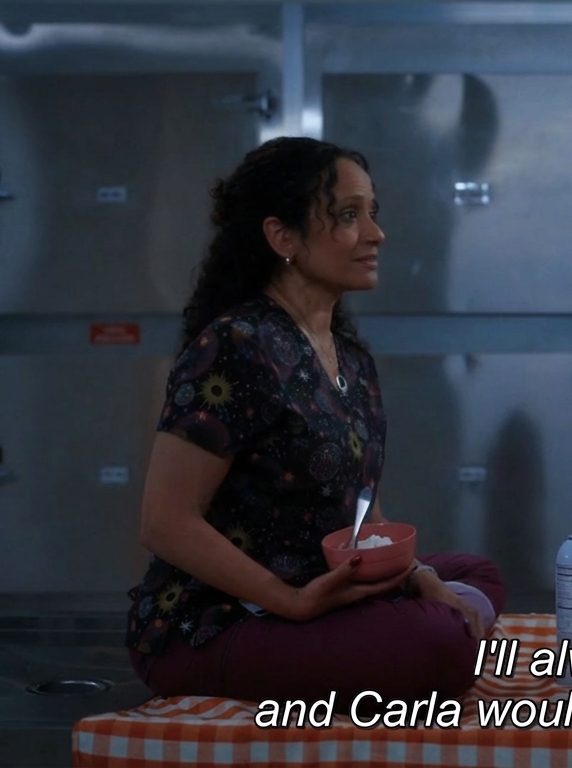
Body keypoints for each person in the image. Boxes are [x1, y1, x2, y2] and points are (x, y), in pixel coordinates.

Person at [125, 137, 504, 705]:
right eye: (348, 216)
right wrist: (291, 601)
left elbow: (362, 509)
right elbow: (164, 522)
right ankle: (429, 643)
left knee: (475, 574)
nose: (376, 234)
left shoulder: (350, 358)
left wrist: (419, 577)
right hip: (221, 622)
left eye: (372, 212)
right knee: (439, 641)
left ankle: (415, 632)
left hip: (318, 584)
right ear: (283, 237)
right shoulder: (237, 345)